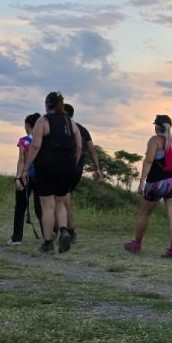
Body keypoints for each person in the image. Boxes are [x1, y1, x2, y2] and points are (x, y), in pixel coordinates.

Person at [21, 92, 83, 254]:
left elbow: (35, 146)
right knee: (60, 203)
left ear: (47, 104)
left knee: (47, 206)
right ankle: (63, 230)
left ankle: (48, 243)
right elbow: (79, 146)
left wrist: (26, 168)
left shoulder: (43, 121)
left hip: (47, 168)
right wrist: (74, 163)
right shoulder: (70, 121)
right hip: (67, 168)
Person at [125, 114, 172, 257]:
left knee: (144, 212)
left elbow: (148, 162)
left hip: (157, 182)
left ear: (156, 127)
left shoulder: (155, 140)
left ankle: (137, 244)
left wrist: (141, 182)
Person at [63, 103, 102, 243]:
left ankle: (68, 231)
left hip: (66, 168)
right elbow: (92, 150)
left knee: (63, 199)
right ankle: (62, 229)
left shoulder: (63, 128)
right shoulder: (83, 130)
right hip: (77, 170)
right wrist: (97, 169)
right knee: (65, 198)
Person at [10, 113, 43, 246]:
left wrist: (18, 178)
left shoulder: (24, 141)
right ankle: (49, 235)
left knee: (20, 207)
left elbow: (21, 160)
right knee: (42, 208)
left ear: (28, 125)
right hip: (42, 178)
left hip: (26, 176)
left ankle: (17, 238)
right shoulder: (43, 141)